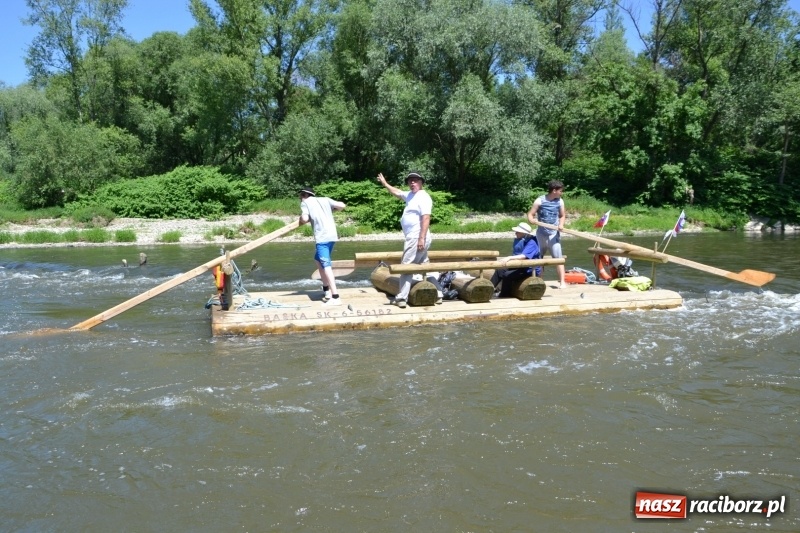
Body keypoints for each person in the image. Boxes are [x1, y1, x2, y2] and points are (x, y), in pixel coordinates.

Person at [376, 171, 444, 308]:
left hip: (417, 237)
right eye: (410, 180)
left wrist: (421, 238)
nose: (412, 182)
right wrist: (384, 183)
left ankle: (401, 298)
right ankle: (438, 293)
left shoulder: (423, 197)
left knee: (406, 267)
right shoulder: (410, 196)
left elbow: (426, 218)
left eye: (415, 180)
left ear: (421, 182)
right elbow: (397, 192)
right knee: (424, 266)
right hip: (416, 237)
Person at [298, 187, 346, 306]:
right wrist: (332, 209)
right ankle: (326, 290)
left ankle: (335, 296)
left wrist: (302, 218)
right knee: (318, 260)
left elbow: (304, 219)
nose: (300, 198)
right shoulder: (325, 199)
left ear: (304, 195)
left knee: (326, 266)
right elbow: (342, 206)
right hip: (332, 236)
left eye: (300, 196)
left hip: (322, 238)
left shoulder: (305, 203)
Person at [527, 179, 567, 289]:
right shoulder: (540, 200)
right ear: (554, 190)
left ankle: (562, 282)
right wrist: (532, 220)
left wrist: (561, 225)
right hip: (541, 233)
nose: (561, 193)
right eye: (560, 191)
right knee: (539, 258)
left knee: (558, 258)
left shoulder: (560, 201)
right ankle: (539, 281)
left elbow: (562, 215)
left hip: (554, 234)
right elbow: (530, 214)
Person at [490, 222, 541, 297]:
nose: (515, 233)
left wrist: (509, 258)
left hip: (530, 269)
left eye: (518, 232)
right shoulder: (521, 239)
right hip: (519, 265)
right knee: (499, 270)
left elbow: (523, 256)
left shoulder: (532, 242)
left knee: (507, 275)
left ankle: (504, 295)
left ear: (524, 233)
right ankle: (488, 289)